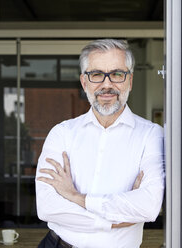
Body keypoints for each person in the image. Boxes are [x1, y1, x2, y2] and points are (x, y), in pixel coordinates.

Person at [35, 39, 165, 248]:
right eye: (96, 75)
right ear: (84, 82)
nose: (107, 84)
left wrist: (75, 197)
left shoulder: (151, 135)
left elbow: (148, 207)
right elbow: (47, 207)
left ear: (129, 81)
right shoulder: (62, 134)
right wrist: (114, 221)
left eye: (117, 74)